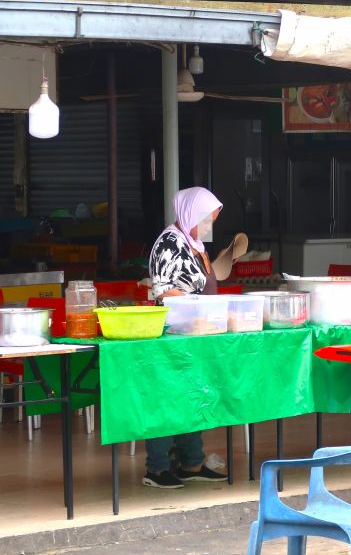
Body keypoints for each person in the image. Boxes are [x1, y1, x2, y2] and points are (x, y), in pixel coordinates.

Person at [144, 187, 229, 489]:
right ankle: (157, 468)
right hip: (173, 334)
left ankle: (192, 463)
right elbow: (163, 291)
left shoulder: (194, 244)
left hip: (196, 333)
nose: (209, 226)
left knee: (194, 396)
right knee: (168, 398)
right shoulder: (168, 244)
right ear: (190, 214)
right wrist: (196, 304)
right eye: (206, 219)